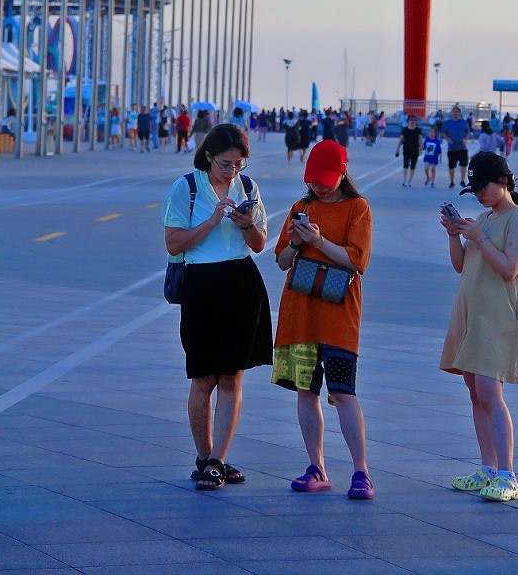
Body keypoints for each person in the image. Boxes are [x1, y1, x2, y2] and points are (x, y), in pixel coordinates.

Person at [162, 124, 272, 490]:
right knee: (203, 376)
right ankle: (204, 455)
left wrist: (246, 224)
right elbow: (174, 244)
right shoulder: (187, 188)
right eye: (226, 164)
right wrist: (211, 222)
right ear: (209, 156)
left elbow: (259, 244)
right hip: (202, 286)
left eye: (238, 164)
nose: (232, 172)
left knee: (232, 376)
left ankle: (218, 460)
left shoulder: (249, 188)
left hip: (241, 283)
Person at [272, 140, 374, 500]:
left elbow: (356, 261)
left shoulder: (357, 208)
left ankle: (361, 472)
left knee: (343, 393)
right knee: (306, 391)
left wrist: (319, 240)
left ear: (343, 173)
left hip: (339, 315)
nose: (318, 186)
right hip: (300, 314)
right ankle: (316, 466)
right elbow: (282, 261)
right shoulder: (301, 207)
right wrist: (298, 243)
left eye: (326, 180)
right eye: (313, 180)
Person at [440, 152, 518, 503]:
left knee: (490, 393)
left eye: (483, 187)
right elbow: (461, 265)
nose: (479, 194)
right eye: (474, 188)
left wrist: (479, 237)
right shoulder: (482, 218)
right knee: (475, 391)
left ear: (504, 181)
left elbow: (510, 268)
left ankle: (508, 474)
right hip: (472, 314)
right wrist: (455, 235)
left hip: (499, 317)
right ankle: (488, 467)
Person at [441, 104, 470, 188]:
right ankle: (452, 181)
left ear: (460, 113)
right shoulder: (447, 123)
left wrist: (465, 139)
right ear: (451, 113)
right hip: (452, 147)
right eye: (454, 112)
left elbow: (468, 133)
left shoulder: (464, 122)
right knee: (451, 166)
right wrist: (448, 139)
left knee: (464, 164)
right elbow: (443, 133)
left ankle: (462, 180)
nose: (455, 113)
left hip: (462, 147)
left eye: (457, 112)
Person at [395, 114, 424, 187]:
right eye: (411, 120)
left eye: (414, 120)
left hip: (415, 149)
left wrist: (420, 149)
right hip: (406, 149)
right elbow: (401, 139)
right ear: (408, 121)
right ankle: (404, 180)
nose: (412, 122)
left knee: (413, 165)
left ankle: (410, 181)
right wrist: (397, 149)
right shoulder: (405, 129)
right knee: (405, 164)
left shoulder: (418, 130)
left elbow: (420, 140)